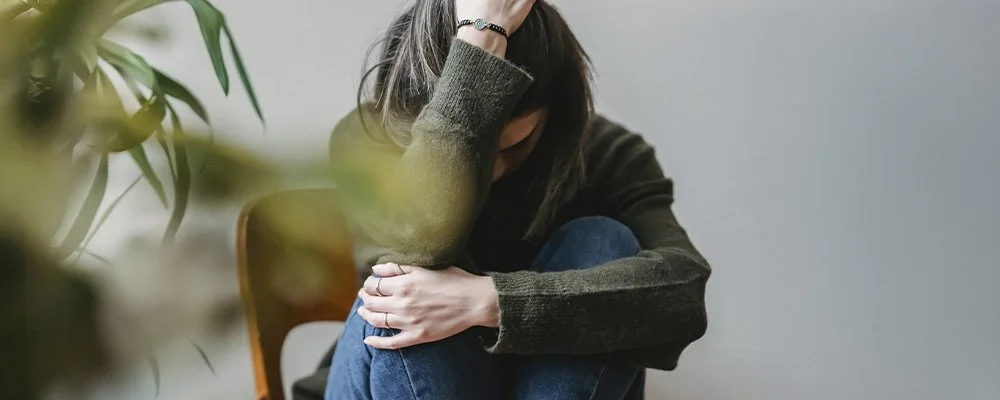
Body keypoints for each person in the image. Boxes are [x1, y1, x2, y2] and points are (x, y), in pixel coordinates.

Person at [314, 0, 711, 399]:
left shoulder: (604, 152)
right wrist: (480, 38)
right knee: (407, 284)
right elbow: (418, 246)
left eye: (515, 146)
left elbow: (682, 294)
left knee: (602, 239)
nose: (495, 170)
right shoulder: (369, 137)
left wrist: (491, 302)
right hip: (389, 380)